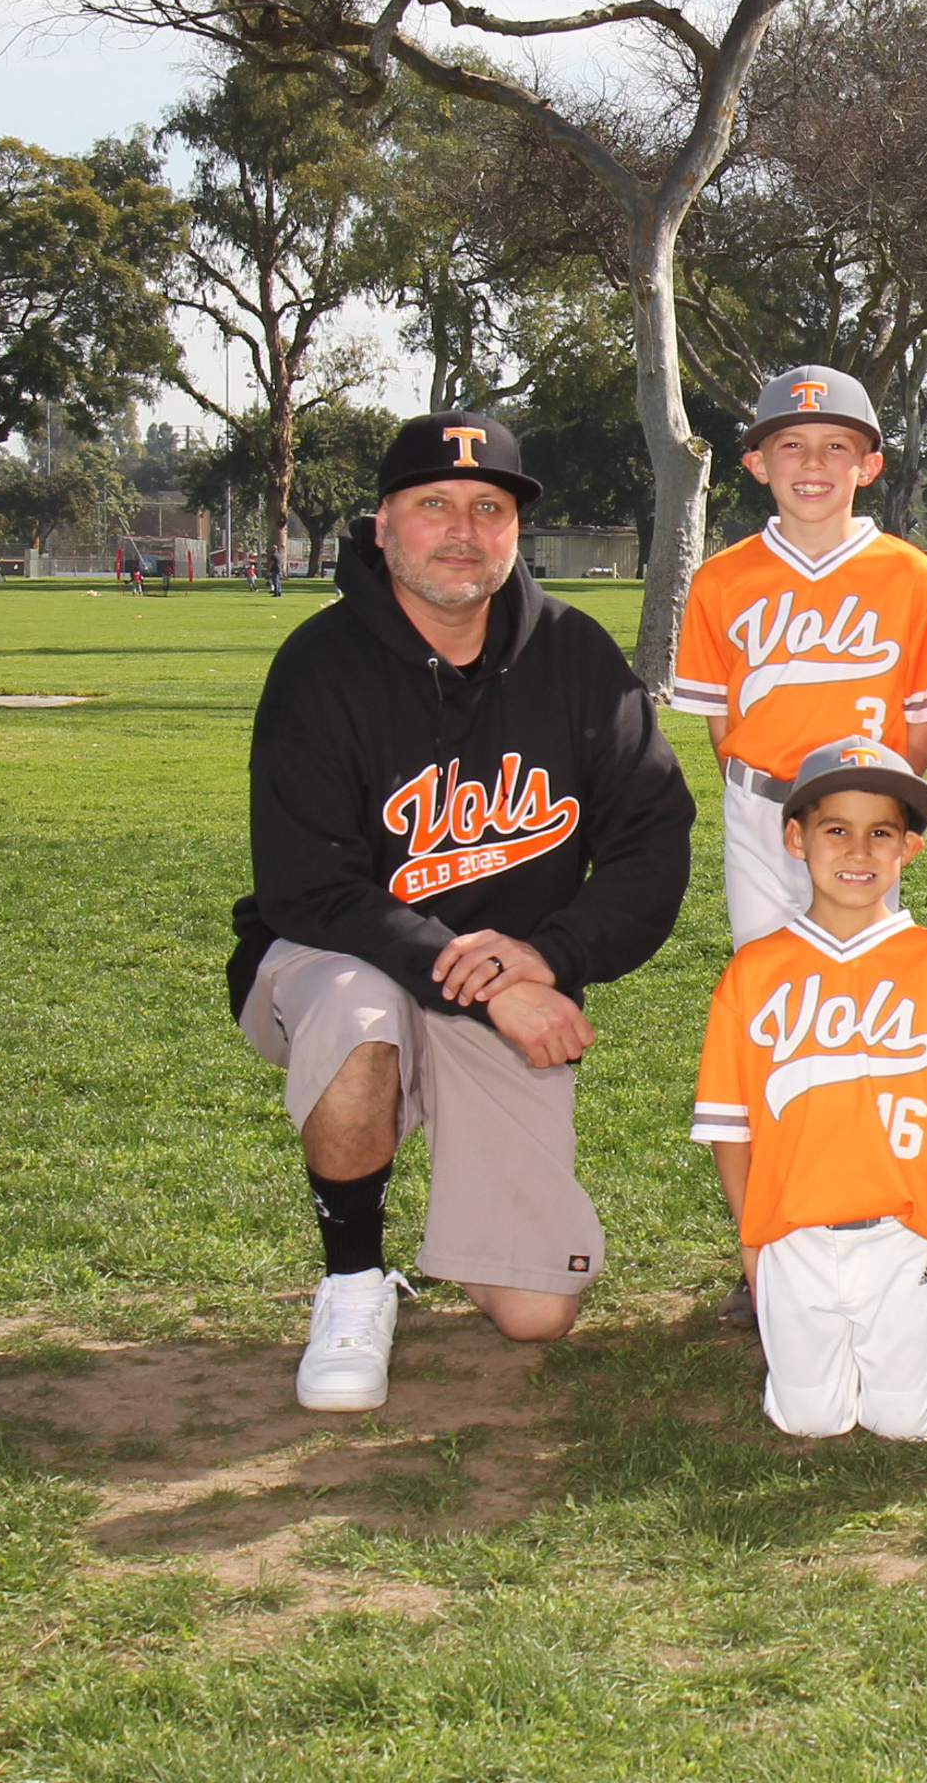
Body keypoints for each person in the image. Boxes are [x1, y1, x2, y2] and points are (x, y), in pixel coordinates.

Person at [227, 413, 694, 1412]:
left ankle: (457, 1229)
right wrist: (488, 982)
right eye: (433, 503)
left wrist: (551, 954)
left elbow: (654, 835)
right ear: (383, 523)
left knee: (537, 1312)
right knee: (360, 1021)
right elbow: (310, 884)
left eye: (489, 507)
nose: (462, 530)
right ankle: (354, 1278)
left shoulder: (573, 654)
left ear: (516, 529)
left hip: (506, 976)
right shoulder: (320, 663)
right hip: (339, 953)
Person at [691, 736, 927, 1439]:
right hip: (793, 1235)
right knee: (808, 1420)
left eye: (880, 834)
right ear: (795, 839)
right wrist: (752, 1238)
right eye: (836, 830)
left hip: (905, 1234)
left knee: (911, 1422)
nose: (858, 851)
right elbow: (730, 1128)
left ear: (908, 850)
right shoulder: (754, 973)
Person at [672, 364, 927, 950]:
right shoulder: (720, 578)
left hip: (865, 810)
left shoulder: (911, 573)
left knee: (861, 964)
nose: (812, 463)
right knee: (766, 965)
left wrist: (881, 798)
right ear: (757, 464)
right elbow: (721, 719)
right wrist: (753, 787)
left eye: (835, 446)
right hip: (759, 810)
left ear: (868, 466)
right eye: (791, 446)